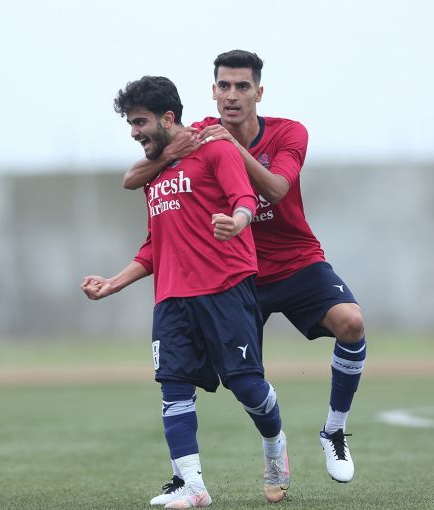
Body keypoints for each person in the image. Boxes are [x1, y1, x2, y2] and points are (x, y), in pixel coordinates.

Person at [123, 50, 367, 493]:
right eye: (223, 86)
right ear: (213, 91)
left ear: (259, 92)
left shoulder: (288, 132)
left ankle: (334, 431)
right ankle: (230, 464)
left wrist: (228, 146)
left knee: (351, 322)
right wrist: (169, 153)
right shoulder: (198, 134)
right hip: (236, 275)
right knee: (244, 384)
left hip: (294, 261)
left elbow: (275, 189)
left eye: (242, 86)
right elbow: (136, 176)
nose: (231, 95)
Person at [81, 75, 290, 508]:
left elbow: (246, 199)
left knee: (246, 386)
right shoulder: (155, 173)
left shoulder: (214, 148)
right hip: (172, 299)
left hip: (225, 288)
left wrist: (237, 223)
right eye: (130, 123)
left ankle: (274, 444)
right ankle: (193, 486)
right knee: (173, 387)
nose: (133, 132)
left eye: (140, 122)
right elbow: (154, 245)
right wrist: (114, 282)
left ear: (167, 118)